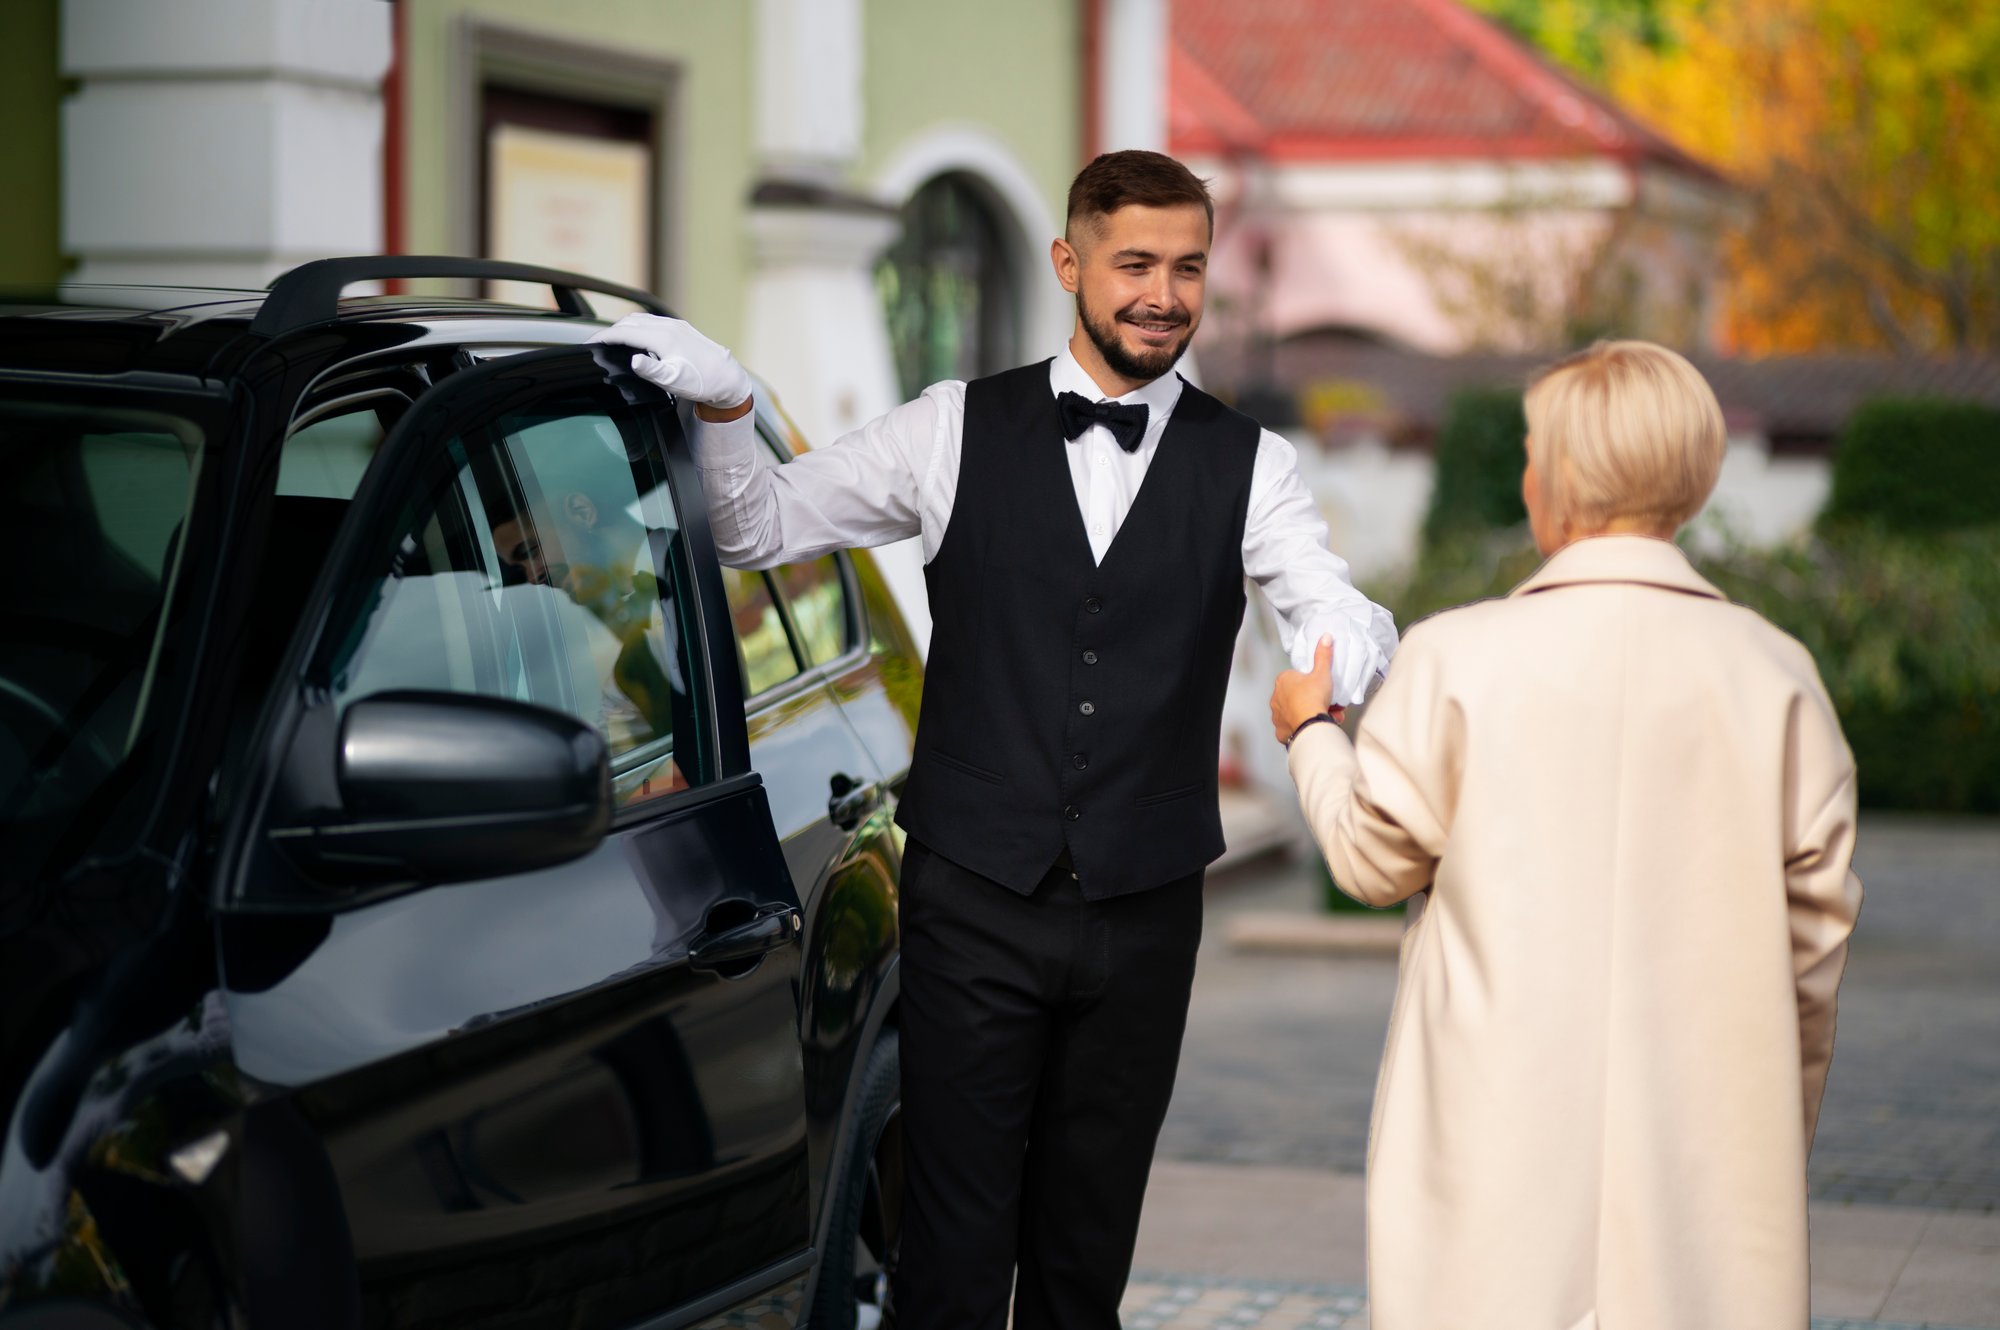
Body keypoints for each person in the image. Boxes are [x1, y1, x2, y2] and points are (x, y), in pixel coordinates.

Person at [594, 149, 1398, 1330]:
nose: (1162, 295)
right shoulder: (948, 428)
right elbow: (755, 526)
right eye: (1133, 264)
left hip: (1144, 913)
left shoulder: (1251, 464)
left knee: (1084, 1261)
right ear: (1069, 263)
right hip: (972, 900)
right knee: (949, 1260)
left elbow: (1332, 604)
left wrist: (1330, 650)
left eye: (1185, 268)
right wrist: (724, 406)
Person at [1270, 340, 1863, 1330]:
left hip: (1494, 1139)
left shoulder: (1456, 658)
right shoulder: (1774, 676)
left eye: (1532, 452)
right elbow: (1813, 949)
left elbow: (1371, 860)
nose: (1525, 475)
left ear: (1562, 478)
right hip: (1699, 1151)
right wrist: (1764, 1135)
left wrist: (1310, 735)